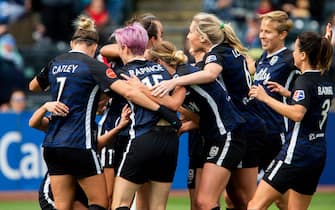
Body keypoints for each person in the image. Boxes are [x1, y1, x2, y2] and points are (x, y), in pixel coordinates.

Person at [28, 15, 180, 210]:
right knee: (101, 202)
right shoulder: (94, 67)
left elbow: (33, 86)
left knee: (62, 206)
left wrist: (51, 101)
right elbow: (129, 92)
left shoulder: (56, 62)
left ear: (72, 43)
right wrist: (164, 112)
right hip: (80, 142)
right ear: (94, 47)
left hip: (52, 145)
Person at [150, 12, 266, 209]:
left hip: (242, 126)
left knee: (245, 201)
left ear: (203, 37)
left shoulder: (216, 53)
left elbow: (210, 74)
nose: (187, 36)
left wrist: (174, 81)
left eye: (191, 31)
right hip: (243, 124)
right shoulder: (228, 51)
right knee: (236, 199)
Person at [143, 39, 246, 210]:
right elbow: (202, 118)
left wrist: (139, 89)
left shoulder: (181, 75)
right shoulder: (178, 78)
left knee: (207, 202)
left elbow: (173, 104)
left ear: (159, 62)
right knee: (215, 202)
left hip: (228, 135)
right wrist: (183, 127)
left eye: (149, 64)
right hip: (217, 136)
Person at [248, 31, 334, 210]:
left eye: (295, 50)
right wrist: (288, 94)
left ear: (303, 55)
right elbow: (312, 102)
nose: (292, 53)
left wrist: (266, 98)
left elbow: (297, 113)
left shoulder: (304, 81)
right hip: (317, 154)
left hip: (296, 154)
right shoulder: (325, 78)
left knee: (254, 206)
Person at [110, 23, 184, 210]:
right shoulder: (161, 69)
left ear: (124, 48)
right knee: (158, 207)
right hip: (170, 141)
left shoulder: (124, 73)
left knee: (120, 203)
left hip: (144, 137)